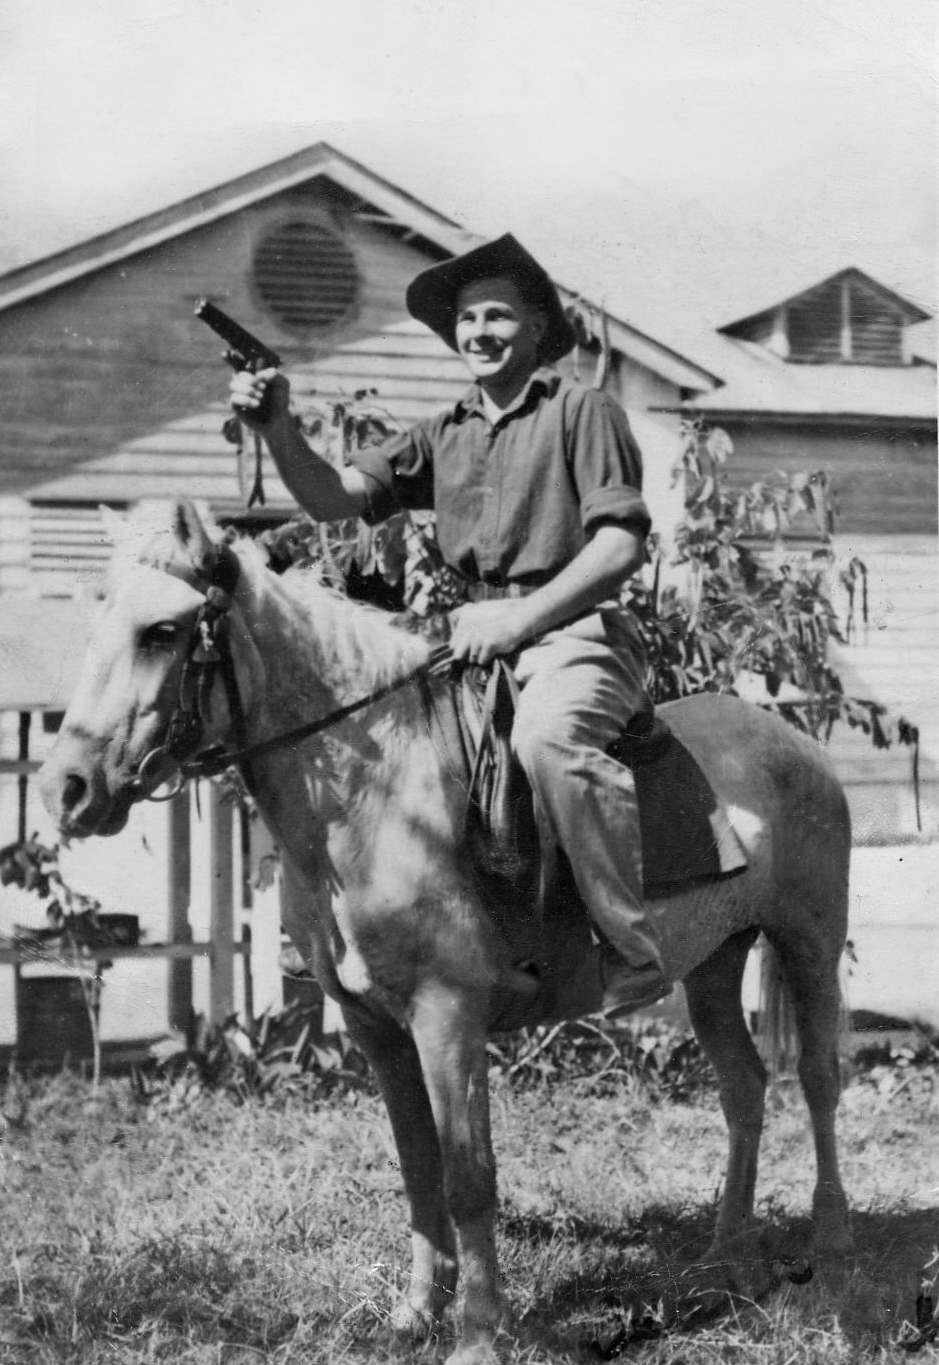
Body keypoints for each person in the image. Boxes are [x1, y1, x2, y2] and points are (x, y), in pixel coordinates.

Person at [229, 233, 668, 1010]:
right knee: (383, 752)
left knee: (546, 742)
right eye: (466, 318)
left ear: (537, 327)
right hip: (472, 642)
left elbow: (619, 544)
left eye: (498, 315)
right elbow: (332, 498)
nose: (478, 331)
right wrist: (277, 428)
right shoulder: (444, 431)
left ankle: (631, 947)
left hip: (573, 633)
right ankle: (415, 939)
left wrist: (519, 618)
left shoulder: (581, 410)